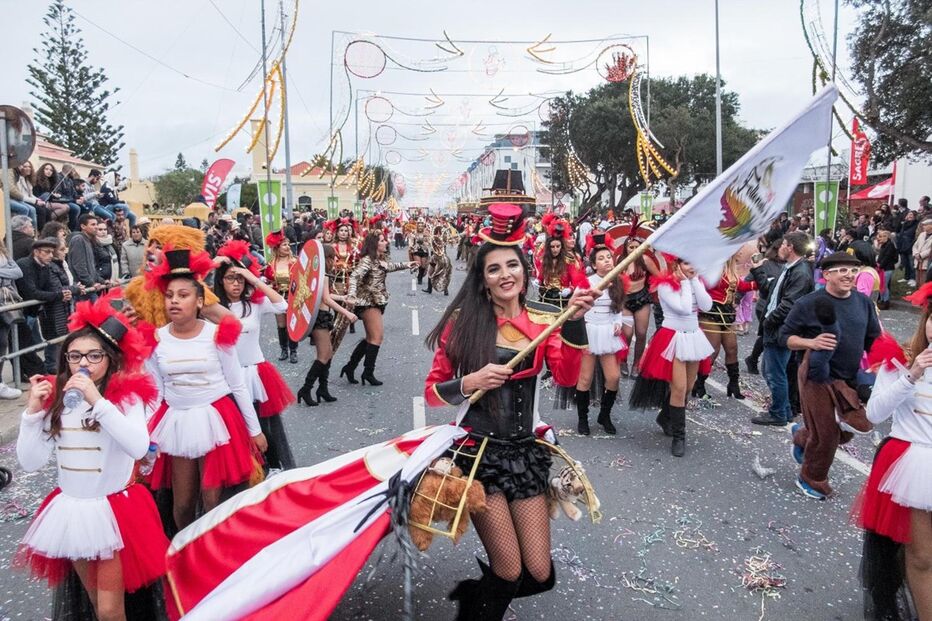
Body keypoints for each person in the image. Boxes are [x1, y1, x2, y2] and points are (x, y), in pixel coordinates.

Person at [423, 202, 594, 620]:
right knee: (508, 572)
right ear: (482, 280)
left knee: (540, 575)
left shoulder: (545, 319)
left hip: (525, 454)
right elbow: (432, 392)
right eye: (494, 268)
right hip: (479, 456)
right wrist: (471, 381)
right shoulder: (463, 323)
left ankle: (473, 595)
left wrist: (574, 321)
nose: (505, 275)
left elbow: (568, 377)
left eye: (512, 265)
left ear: (524, 270)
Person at [14, 296, 168, 620]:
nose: (83, 363)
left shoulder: (125, 398)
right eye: (75, 356)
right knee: (97, 602)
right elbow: (30, 462)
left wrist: (97, 400)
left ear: (110, 359)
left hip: (114, 512)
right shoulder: (57, 399)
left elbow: (139, 447)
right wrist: (31, 415)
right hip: (73, 512)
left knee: (111, 609)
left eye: (94, 355)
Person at [144, 248, 267, 530]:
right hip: (176, 422)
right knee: (183, 502)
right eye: (169, 295)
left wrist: (255, 430)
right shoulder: (156, 339)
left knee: (214, 500)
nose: (174, 301)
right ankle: (187, 548)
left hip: (217, 420)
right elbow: (156, 392)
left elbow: (236, 383)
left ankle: (215, 547)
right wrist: (144, 435)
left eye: (183, 295)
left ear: (200, 301)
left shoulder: (217, 334)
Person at [854, 300, 932, 620]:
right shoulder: (900, 358)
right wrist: (911, 375)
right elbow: (874, 414)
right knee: (922, 556)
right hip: (914, 469)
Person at [785, 252, 880, 500]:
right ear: (826, 275)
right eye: (842, 270)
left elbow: (873, 339)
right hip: (815, 375)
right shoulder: (807, 303)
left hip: (847, 377)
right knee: (827, 435)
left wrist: (881, 363)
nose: (849, 275)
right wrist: (811, 342)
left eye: (853, 270)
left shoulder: (863, 302)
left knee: (846, 431)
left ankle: (803, 437)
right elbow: (786, 338)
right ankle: (811, 479)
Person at [214, 240, 296, 472]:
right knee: (235, 428)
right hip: (226, 377)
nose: (236, 283)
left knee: (264, 425)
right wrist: (212, 264)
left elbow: (282, 306)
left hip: (255, 373)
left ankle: (273, 468)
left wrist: (252, 277)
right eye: (230, 278)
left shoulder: (254, 304)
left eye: (239, 279)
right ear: (221, 280)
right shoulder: (212, 308)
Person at [629, 259, 714, 457]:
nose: (692, 267)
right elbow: (683, 308)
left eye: (693, 263)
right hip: (673, 338)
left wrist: (694, 281)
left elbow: (707, 306)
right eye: (687, 263)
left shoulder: (695, 281)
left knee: (689, 387)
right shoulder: (665, 285)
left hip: (693, 336)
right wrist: (685, 282)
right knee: (679, 388)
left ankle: (665, 416)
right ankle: (679, 437)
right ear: (676, 265)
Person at [750, 232, 813, 427]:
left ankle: (778, 412)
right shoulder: (790, 268)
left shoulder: (800, 272)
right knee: (771, 370)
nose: (780, 248)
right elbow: (770, 293)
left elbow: (788, 305)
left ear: (790, 247)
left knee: (775, 372)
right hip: (777, 327)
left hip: (782, 329)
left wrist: (769, 321)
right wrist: (758, 271)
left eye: (783, 244)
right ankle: (784, 410)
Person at [341, 232, 416, 386]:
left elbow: (389, 267)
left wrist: (407, 264)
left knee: (370, 338)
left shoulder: (379, 259)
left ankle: (350, 367)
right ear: (375, 244)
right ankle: (368, 373)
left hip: (376, 301)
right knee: (377, 337)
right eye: (382, 240)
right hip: (368, 302)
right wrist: (352, 295)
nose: (386, 242)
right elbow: (354, 277)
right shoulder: (367, 260)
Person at [575, 233, 627, 435]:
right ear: (594, 264)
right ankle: (582, 419)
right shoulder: (587, 282)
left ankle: (604, 415)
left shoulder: (617, 281)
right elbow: (577, 310)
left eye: (609, 257)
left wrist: (617, 322)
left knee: (613, 377)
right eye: (601, 259)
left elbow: (617, 308)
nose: (607, 261)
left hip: (607, 332)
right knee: (585, 378)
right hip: (588, 331)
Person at [295, 244, 358, 406]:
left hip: (320, 316)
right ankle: (306, 389)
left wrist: (343, 298)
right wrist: (347, 313)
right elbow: (326, 299)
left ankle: (322, 388)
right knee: (324, 355)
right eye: (333, 257)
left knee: (327, 354)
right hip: (320, 318)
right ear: (327, 258)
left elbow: (326, 296)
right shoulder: (323, 275)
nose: (335, 260)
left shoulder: (319, 274)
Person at [694, 254, 757, 400]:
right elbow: (704, 285)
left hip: (727, 313)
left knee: (732, 348)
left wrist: (759, 274)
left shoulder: (731, 270)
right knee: (713, 350)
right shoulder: (711, 268)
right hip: (711, 312)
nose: (740, 254)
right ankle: (699, 383)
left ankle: (733, 384)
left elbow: (744, 286)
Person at [16, 238, 76, 376]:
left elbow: (50, 289)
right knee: (23, 344)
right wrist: (59, 295)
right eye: (47, 252)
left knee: (24, 344)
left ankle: (25, 374)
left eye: (52, 252)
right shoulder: (25, 265)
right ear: (36, 252)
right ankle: (30, 373)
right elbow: (32, 292)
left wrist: (62, 294)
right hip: (21, 311)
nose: (50, 255)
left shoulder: (45, 266)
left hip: (32, 311)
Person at [745, 239, 784, 375]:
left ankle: (753, 359)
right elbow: (748, 279)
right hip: (765, 305)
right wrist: (737, 298)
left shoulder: (790, 266)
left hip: (782, 305)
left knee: (772, 335)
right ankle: (755, 360)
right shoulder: (766, 263)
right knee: (768, 334)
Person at [534, 215, 587, 309]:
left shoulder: (569, 260)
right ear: (548, 247)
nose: (555, 250)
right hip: (546, 296)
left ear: (562, 247)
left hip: (563, 298)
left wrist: (570, 289)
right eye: (552, 247)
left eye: (558, 246)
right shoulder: (545, 260)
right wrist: (538, 280)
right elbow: (541, 275)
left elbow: (576, 280)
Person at [263, 230, 299, 364]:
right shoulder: (271, 264)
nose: (288, 247)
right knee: (281, 325)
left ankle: (293, 351)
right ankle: (284, 350)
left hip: (293, 297)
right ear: (277, 248)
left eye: (288, 244)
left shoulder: (295, 262)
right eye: (284, 245)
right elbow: (268, 280)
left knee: (291, 324)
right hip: (278, 298)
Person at [68, 215, 105, 301]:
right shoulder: (78, 240)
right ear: (83, 226)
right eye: (93, 224)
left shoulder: (88, 240)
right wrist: (91, 283)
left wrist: (102, 281)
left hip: (88, 288)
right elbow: (79, 266)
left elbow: (91, 269)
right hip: (83, 290)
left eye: (96, 224)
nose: (96, 227)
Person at [424, 224, 453, 295]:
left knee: (443, 274)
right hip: (435, 258)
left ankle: (445, 290)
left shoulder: (440, 238)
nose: (438, 233)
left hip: (442, 259)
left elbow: (449, 240)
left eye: (439, 232)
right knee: (431, 272)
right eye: (437, 232)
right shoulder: (434, 238)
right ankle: (430, 289)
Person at [874, 230, 897, 310]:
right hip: (882, 267)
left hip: (887, 268)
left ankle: (885, 301)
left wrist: (880, 265)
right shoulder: (884, 245)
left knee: (884, 285)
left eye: (882, 236)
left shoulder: (890, 245)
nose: (880, 238)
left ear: (887, 237)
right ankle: (882, 300)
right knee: (881, 285)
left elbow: (887, 257)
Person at [94, 220, 120, 287]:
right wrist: (101, 279)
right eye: (100, 229)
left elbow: (118, 260)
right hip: (100, 281)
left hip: (112, 280)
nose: (103, 232)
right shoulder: (93, 244)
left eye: (105, 229)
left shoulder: (111, 243)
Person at [896, 209, 918, 286]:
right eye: (908, 214)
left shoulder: (916, 224)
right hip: (903, 246)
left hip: (910, 246)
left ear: (915, 216)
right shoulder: (904, 224)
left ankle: (913, 278)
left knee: (912, 264)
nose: (909, 216)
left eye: (911, 215)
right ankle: (906, 277)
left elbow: (915, 236)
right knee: (906, 264)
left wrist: (911, 245)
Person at [408, 221, 431, 286]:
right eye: (419, 226)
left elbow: (429, 242)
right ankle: (419, 279)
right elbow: (411, 241)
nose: (420, 227)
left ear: (423, 227)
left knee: (423, 266)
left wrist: (425, 242)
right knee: (419, 264)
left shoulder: (426, 233)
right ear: (417, 227)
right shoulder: (414, 233)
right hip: (416, 250)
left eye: (421, 226)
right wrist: (411, 246)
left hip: (424, 250)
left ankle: (420, 276)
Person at [912, 218, 932, 287]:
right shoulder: (922, 234)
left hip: (927, 261)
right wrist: (916, 254)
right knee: (917, 278)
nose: (923, 226)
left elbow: (930, 250)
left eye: (925, 225)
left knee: (924, 280)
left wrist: (921, 255)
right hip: (918, 261)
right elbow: (915, 245)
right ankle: (918, 291)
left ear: (931, 226)